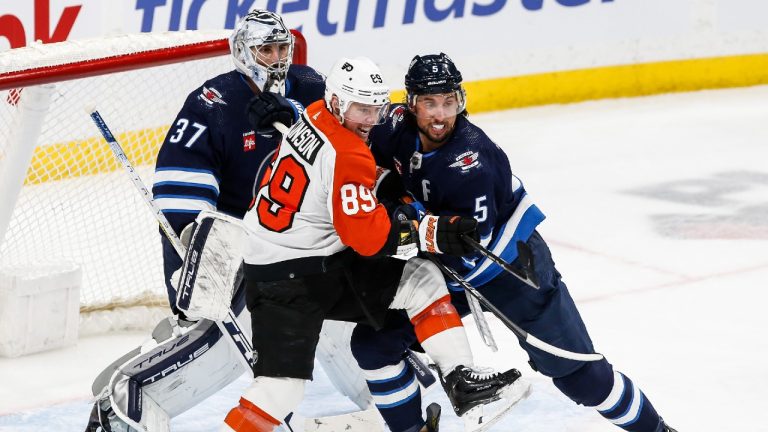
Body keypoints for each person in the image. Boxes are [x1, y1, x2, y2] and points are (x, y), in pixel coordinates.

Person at [353, 52, 678, 432]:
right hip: (446, 266)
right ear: (411, 104)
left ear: (460, 100)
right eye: (429, 103)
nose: (440, 114)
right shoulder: (392, 125)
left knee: (580, 377)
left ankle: (657, 429)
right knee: (374, 344)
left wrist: (401, 224)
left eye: (448, 102)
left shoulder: (470, 161)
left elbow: (469, 251)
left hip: (510, 267)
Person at [225, 56, 526, 432]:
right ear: (337, 102)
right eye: (361, 109)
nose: (370, 119)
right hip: (297, 278)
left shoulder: (315, 114)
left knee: (419, 279)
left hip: (274, 257)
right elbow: (367, 240)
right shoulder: (349, 154)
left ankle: (461, 381)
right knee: (279, 390)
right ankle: (460, 383)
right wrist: (428, 230)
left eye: (376, 108)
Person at [84, 10, 325, 431]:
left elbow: (344, 151)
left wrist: (291, 115)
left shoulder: (310, 87)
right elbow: (181, 195)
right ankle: (127, 402)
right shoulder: (213, 103)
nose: (276, 58)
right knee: (219, 338)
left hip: (298, 241)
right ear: (242, 53)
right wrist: (199, 267)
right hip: (235, 247)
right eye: (264, 49)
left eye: (281, 47)